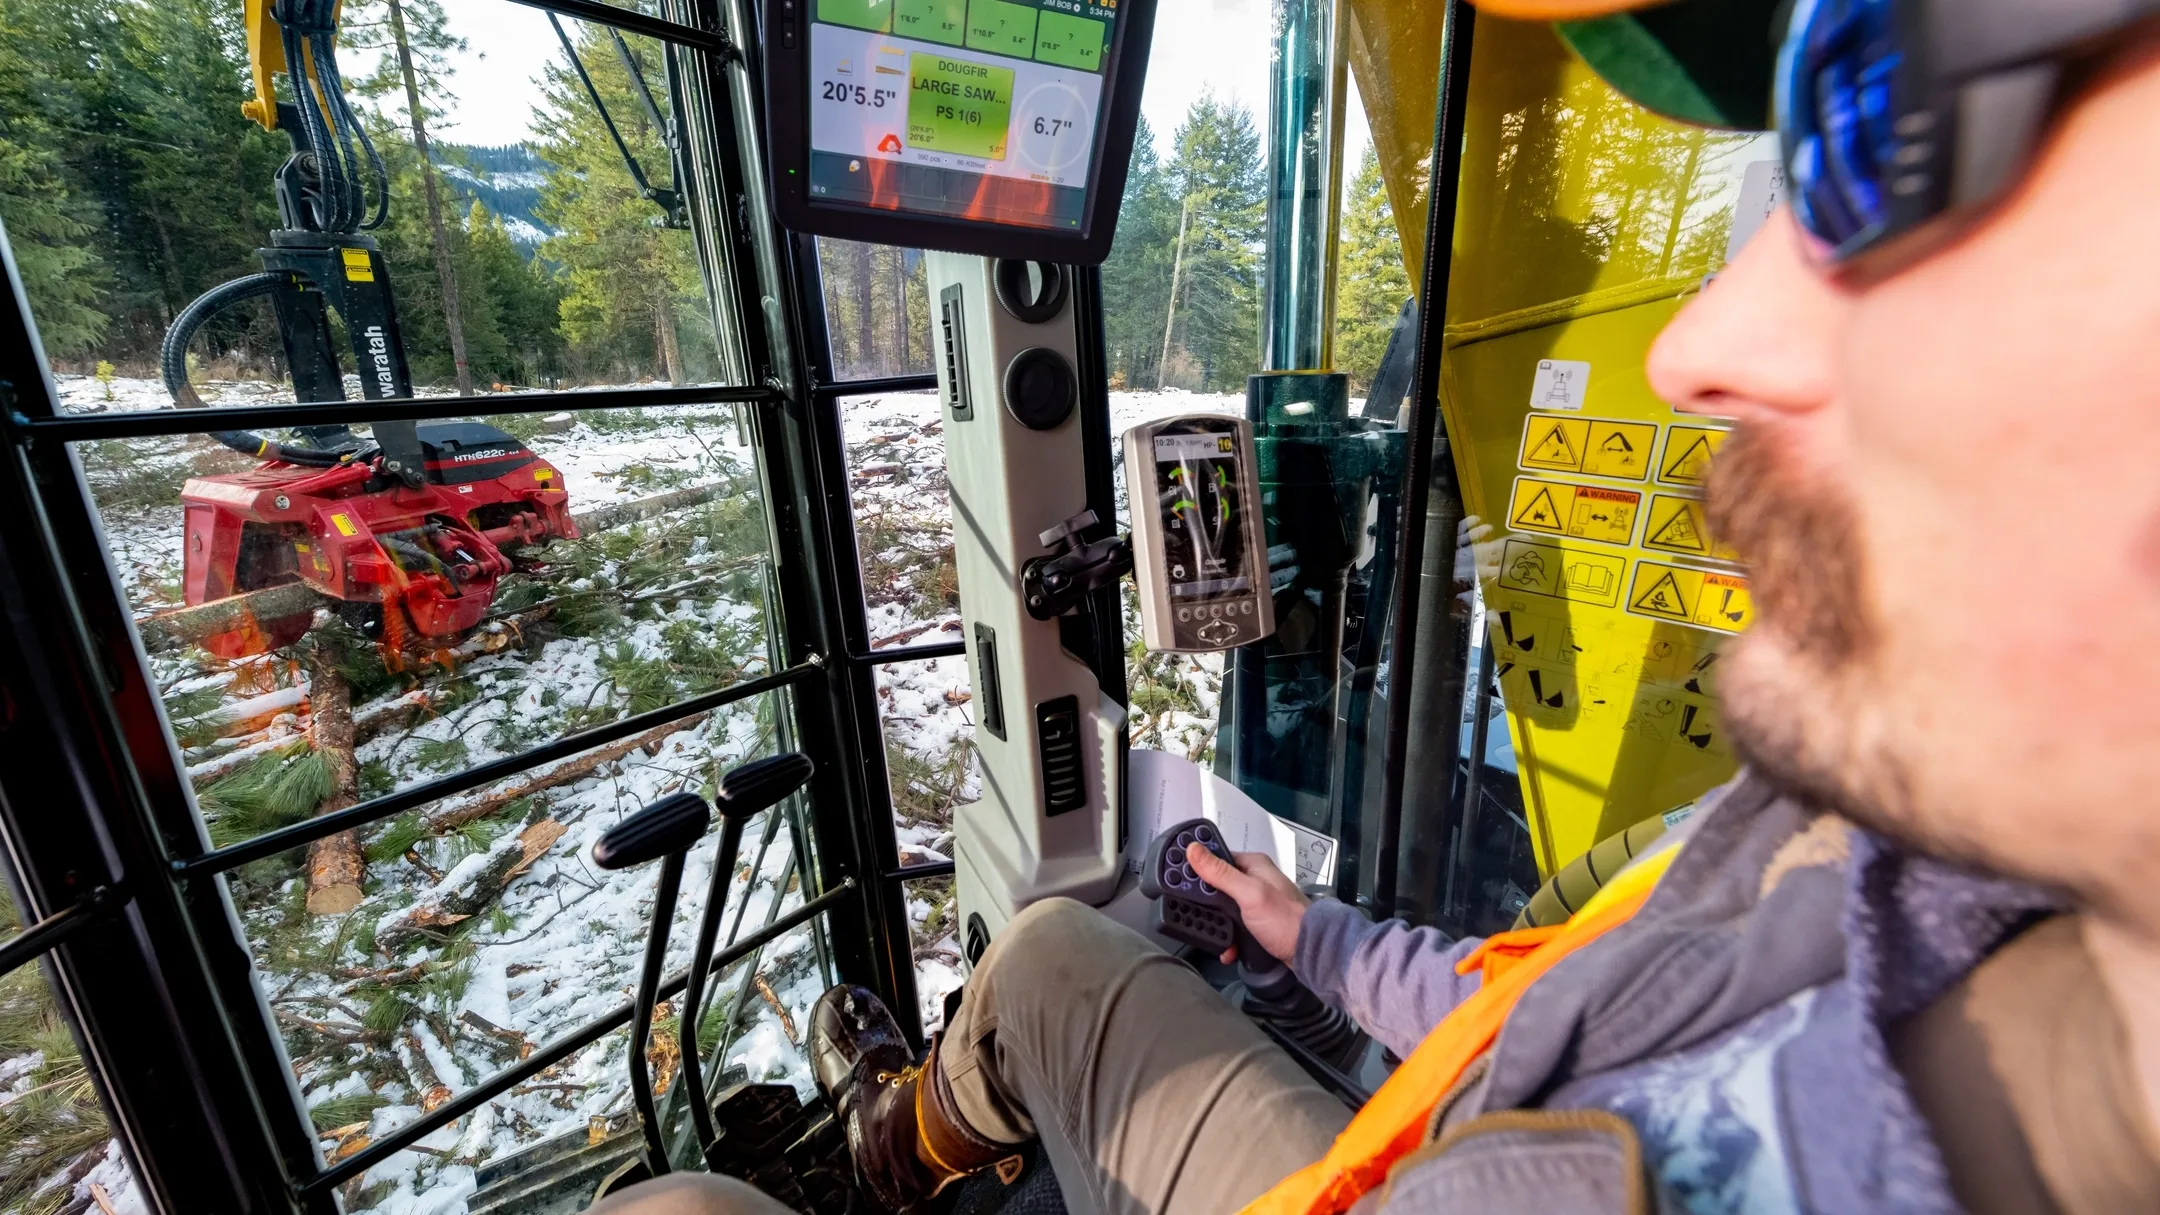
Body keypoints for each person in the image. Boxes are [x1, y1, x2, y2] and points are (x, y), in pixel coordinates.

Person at [612, 0, 2160, 1210]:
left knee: (714, 1178)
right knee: (1104, 926)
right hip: (1441, 1113)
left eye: (1880, 120)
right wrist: (1307, 925)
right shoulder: (1847, 842)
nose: (1704, 346)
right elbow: (1536, 981)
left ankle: (896, 1145)